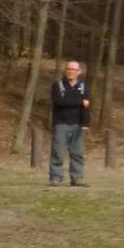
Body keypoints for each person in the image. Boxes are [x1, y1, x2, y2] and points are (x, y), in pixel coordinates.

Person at [48, 59, 91, 187]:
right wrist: (80, 102)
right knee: (58, 152)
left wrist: (86, 123)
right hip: (61, 123)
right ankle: (56, 177)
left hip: (77, 124)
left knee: (77, 153)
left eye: (73, 69)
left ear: (79, 72)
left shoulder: (83, 86)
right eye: (68, 69)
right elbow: (60, 102)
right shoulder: (58, 85)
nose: (70, 71)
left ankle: (77, 179)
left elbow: (86, 106)